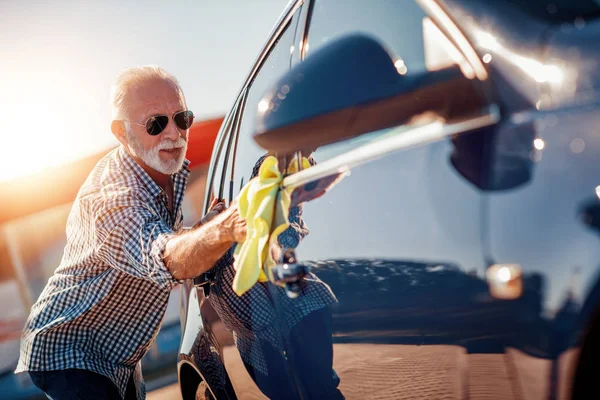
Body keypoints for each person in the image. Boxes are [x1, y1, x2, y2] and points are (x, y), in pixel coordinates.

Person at [14, 65, 246, 400]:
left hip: (118, 353)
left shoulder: (168, 172)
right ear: (122, 133)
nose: (174, 134)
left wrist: (209, 225)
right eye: (156, 123)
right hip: (68, 347)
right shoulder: (111, 200)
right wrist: (226, 227)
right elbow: (167, 259)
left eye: (182, 118)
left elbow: (170, 240)